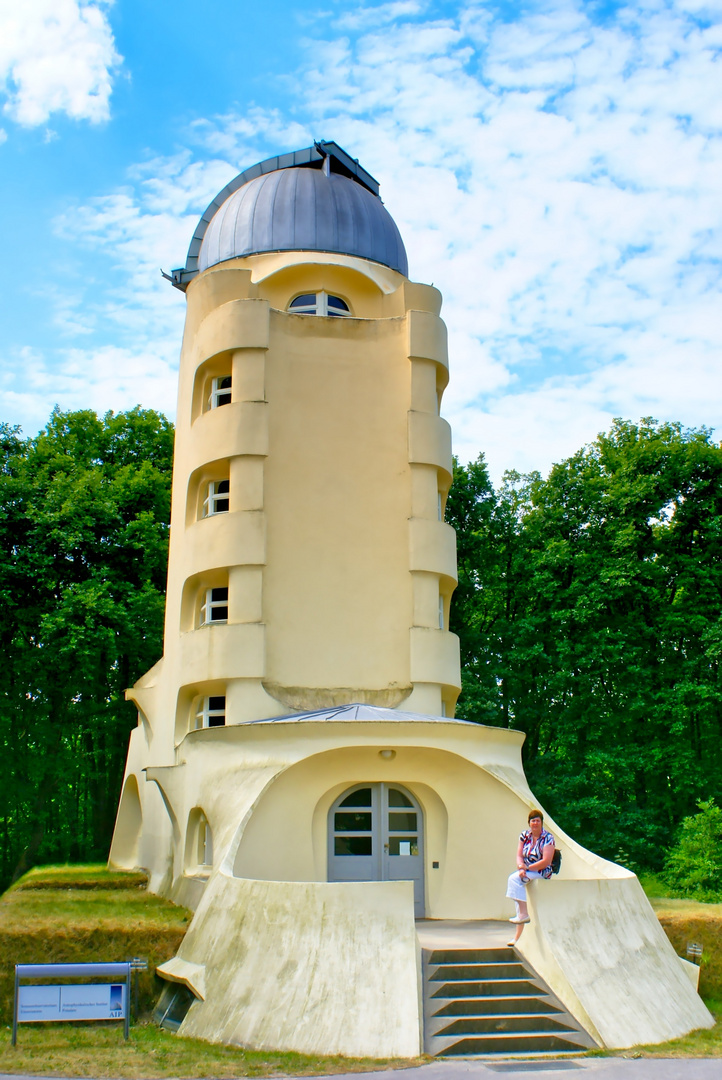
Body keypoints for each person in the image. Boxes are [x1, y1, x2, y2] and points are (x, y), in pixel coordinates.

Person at [506, 808, 555, 947]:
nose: (535, 823)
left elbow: (546, 861)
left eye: (538, 821)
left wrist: (526, 869)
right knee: (517, 886)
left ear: (541, 823)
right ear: (529, 823)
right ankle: (518, 935)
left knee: (514, 880)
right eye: (533, 821)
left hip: (541, 871)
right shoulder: (524, 835)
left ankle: (523, 914)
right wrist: (521, 867)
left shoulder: (548, 838)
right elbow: (519, 855)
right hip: (526, 871)